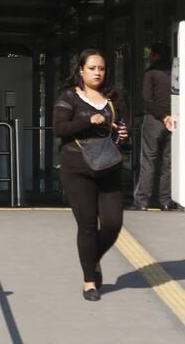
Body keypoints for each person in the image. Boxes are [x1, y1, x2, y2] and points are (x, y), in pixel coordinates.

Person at [53, 48, 129, 302]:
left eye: (102, 68)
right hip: (77, 169)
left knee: (112, 223)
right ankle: (89, 281)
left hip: (108, 167)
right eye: (93, 68)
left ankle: (91, 257)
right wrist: (89, 120)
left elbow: (119, 130)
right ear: (81, 71)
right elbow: (59, 128)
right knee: (87, 226)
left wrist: (123, 134)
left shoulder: (113, 98)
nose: (98, 72)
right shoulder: (69, 97)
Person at [133, 42, 175, 211]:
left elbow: (147, 99)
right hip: (174, 121)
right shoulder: (176, 73)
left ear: (156, 55)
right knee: (168, 162)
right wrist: (169, 116)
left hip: (154, 121)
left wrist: (162, 116)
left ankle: (142, 201)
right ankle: (165, 200)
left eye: (151, 54)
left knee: (148, 161)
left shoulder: (151, 73)